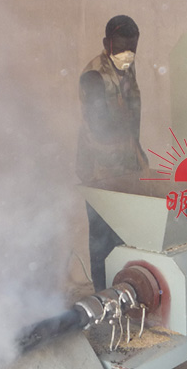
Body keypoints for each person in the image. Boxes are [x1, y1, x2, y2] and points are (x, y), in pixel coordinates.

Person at [76, 15, 149, 291]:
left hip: (127, 164)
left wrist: (137, 155)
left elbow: (131, 114)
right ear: (106, 43)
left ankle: (124, 292)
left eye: (132, 48)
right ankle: (103, 296)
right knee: (102, 238)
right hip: (100, 169)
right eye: (120, 48)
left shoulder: (126, 67)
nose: (127, 54)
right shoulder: (94, 76)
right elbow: (100, 126)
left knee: (125, 234)